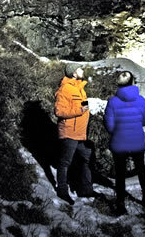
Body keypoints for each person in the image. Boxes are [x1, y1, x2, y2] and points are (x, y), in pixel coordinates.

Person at [103, 70, 145, 215]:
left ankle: (120, 204)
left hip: (119, 141)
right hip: (136, 140)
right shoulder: (141, 100)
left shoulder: (112, 101)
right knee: (141, 169)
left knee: (120, 173)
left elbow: (109, 125)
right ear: (132, 82)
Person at [54, 63, 96, 204]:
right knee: (65, 162)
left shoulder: (80, 89)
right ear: (73, 73)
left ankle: (86, 190)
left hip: (80, 134)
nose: (82, 70)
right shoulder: (65, 89)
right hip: (69, 132)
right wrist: (80, 110)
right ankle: (62, 191)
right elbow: (59, 111)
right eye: (79, 69)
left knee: (87, 158)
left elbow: (84, 108)